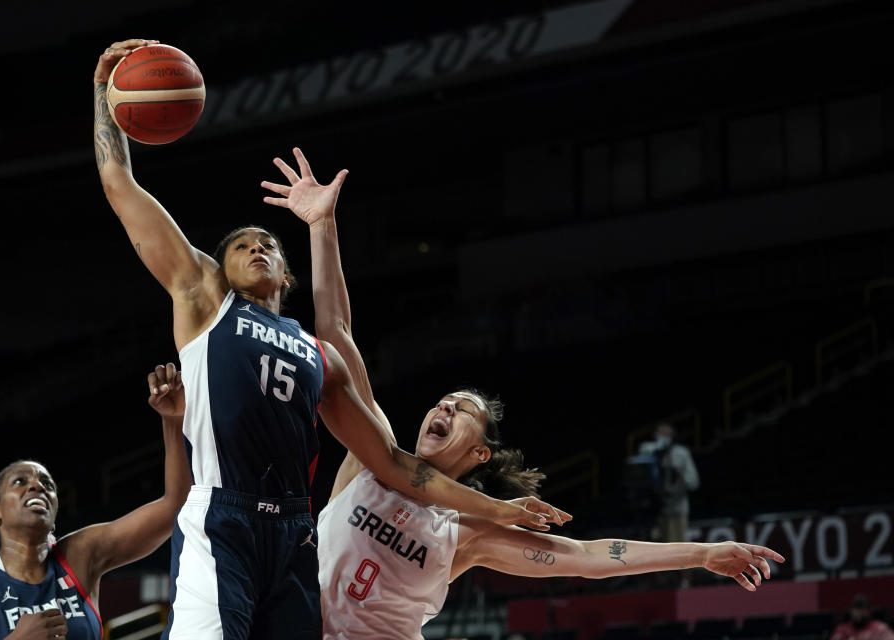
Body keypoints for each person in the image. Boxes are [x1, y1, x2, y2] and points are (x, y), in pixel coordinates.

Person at [93, 39, 564, 640]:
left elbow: (392, 462)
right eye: (241, 244)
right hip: (223, 517)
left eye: (268, 243)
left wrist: (498, 509)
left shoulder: (322, 357)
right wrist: (105, 97)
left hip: (294, 532)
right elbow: (117, 181)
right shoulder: (204, 297)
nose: (256, 246)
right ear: (218, 265)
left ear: (285, 274)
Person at [262, 148, 786, 640]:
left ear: (478, 453)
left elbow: (589, 555)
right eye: (441, 400)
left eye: (461, 408)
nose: (443, 406)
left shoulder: (468, 531)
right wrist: (322, 225)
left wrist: (701, 554)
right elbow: (337, 334)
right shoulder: (371, 453)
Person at [0, 363, 191, 640]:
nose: (37, 486)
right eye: (20, 482)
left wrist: (173, 422)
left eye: (47, 485)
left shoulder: (81, 554)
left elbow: (174, 507)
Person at [637, 422, 699, 545]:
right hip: (654, 509)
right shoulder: (648, 450)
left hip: (677, 507)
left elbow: (693, 482)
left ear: (672, 436)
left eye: (666, 434)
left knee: (679, 546)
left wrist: (679, 476)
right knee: (657, 546)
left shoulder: (681, 453)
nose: (663, 436)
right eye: (660, 433)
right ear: (655, 435)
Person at [830, 595, 894, 640]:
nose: (859, 613)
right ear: (850, 611)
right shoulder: (842, 630)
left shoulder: (880, 629)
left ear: (869, 611)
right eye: (856, 609)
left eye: (862, 609)